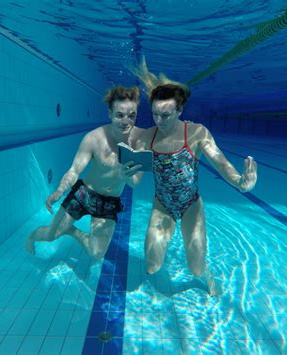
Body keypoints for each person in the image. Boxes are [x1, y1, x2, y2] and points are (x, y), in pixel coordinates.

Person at [132, 60, 258, 296]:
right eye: (155, 114)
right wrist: (127, 173)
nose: (159, 121)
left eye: (166, 115)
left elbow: (220, 163)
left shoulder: (197, 132)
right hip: (162, 205)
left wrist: (240, 182)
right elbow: (135, 180)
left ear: (179, 111)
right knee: (152, 265)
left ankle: (207, 276)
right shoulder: (147, 137)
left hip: (191, 205)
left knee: (197, 268)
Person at [25, 86, 144, 259]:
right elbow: (74, 170)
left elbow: (134, 182)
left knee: (96, 253)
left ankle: (71, 231)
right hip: (84, 194)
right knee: (51, 235)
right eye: (120, 115)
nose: (126, 121)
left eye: (131, 115)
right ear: (110, 113)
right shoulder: (94, 139)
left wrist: (127, 175)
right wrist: (60, 190)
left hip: (110, 202)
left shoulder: (140, 142)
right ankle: (30, 237)